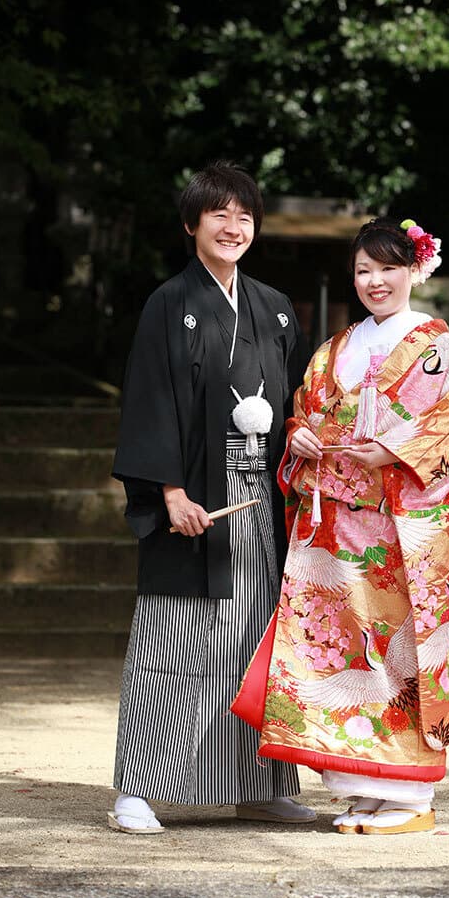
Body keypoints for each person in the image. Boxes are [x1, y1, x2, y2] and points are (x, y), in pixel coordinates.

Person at [233, 216, 449, 835]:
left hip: (398, 531)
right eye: (363, 270)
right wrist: (304, 437)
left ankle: (409, 799)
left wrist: (394, 453)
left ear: (413, 270)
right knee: (339, 655)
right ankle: (362, 789)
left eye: (388, 269)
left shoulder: (433, 345)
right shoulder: (336, 349)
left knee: (395, 657)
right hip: (334, 528)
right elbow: (302, 412)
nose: (375, 281)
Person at [108, 161, 314, 833]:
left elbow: (302, 400)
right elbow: (151, 400)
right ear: (192, 224)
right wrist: (167, 491)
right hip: (197, 495)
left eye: (244, 215)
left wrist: (307, 434)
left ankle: (259, 784)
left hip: (265, 502)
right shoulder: (171, 303)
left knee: (258, 640)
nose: (233, 226)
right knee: (174, 643)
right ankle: (138, 788)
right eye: (219, 214)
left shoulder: (276, 307)